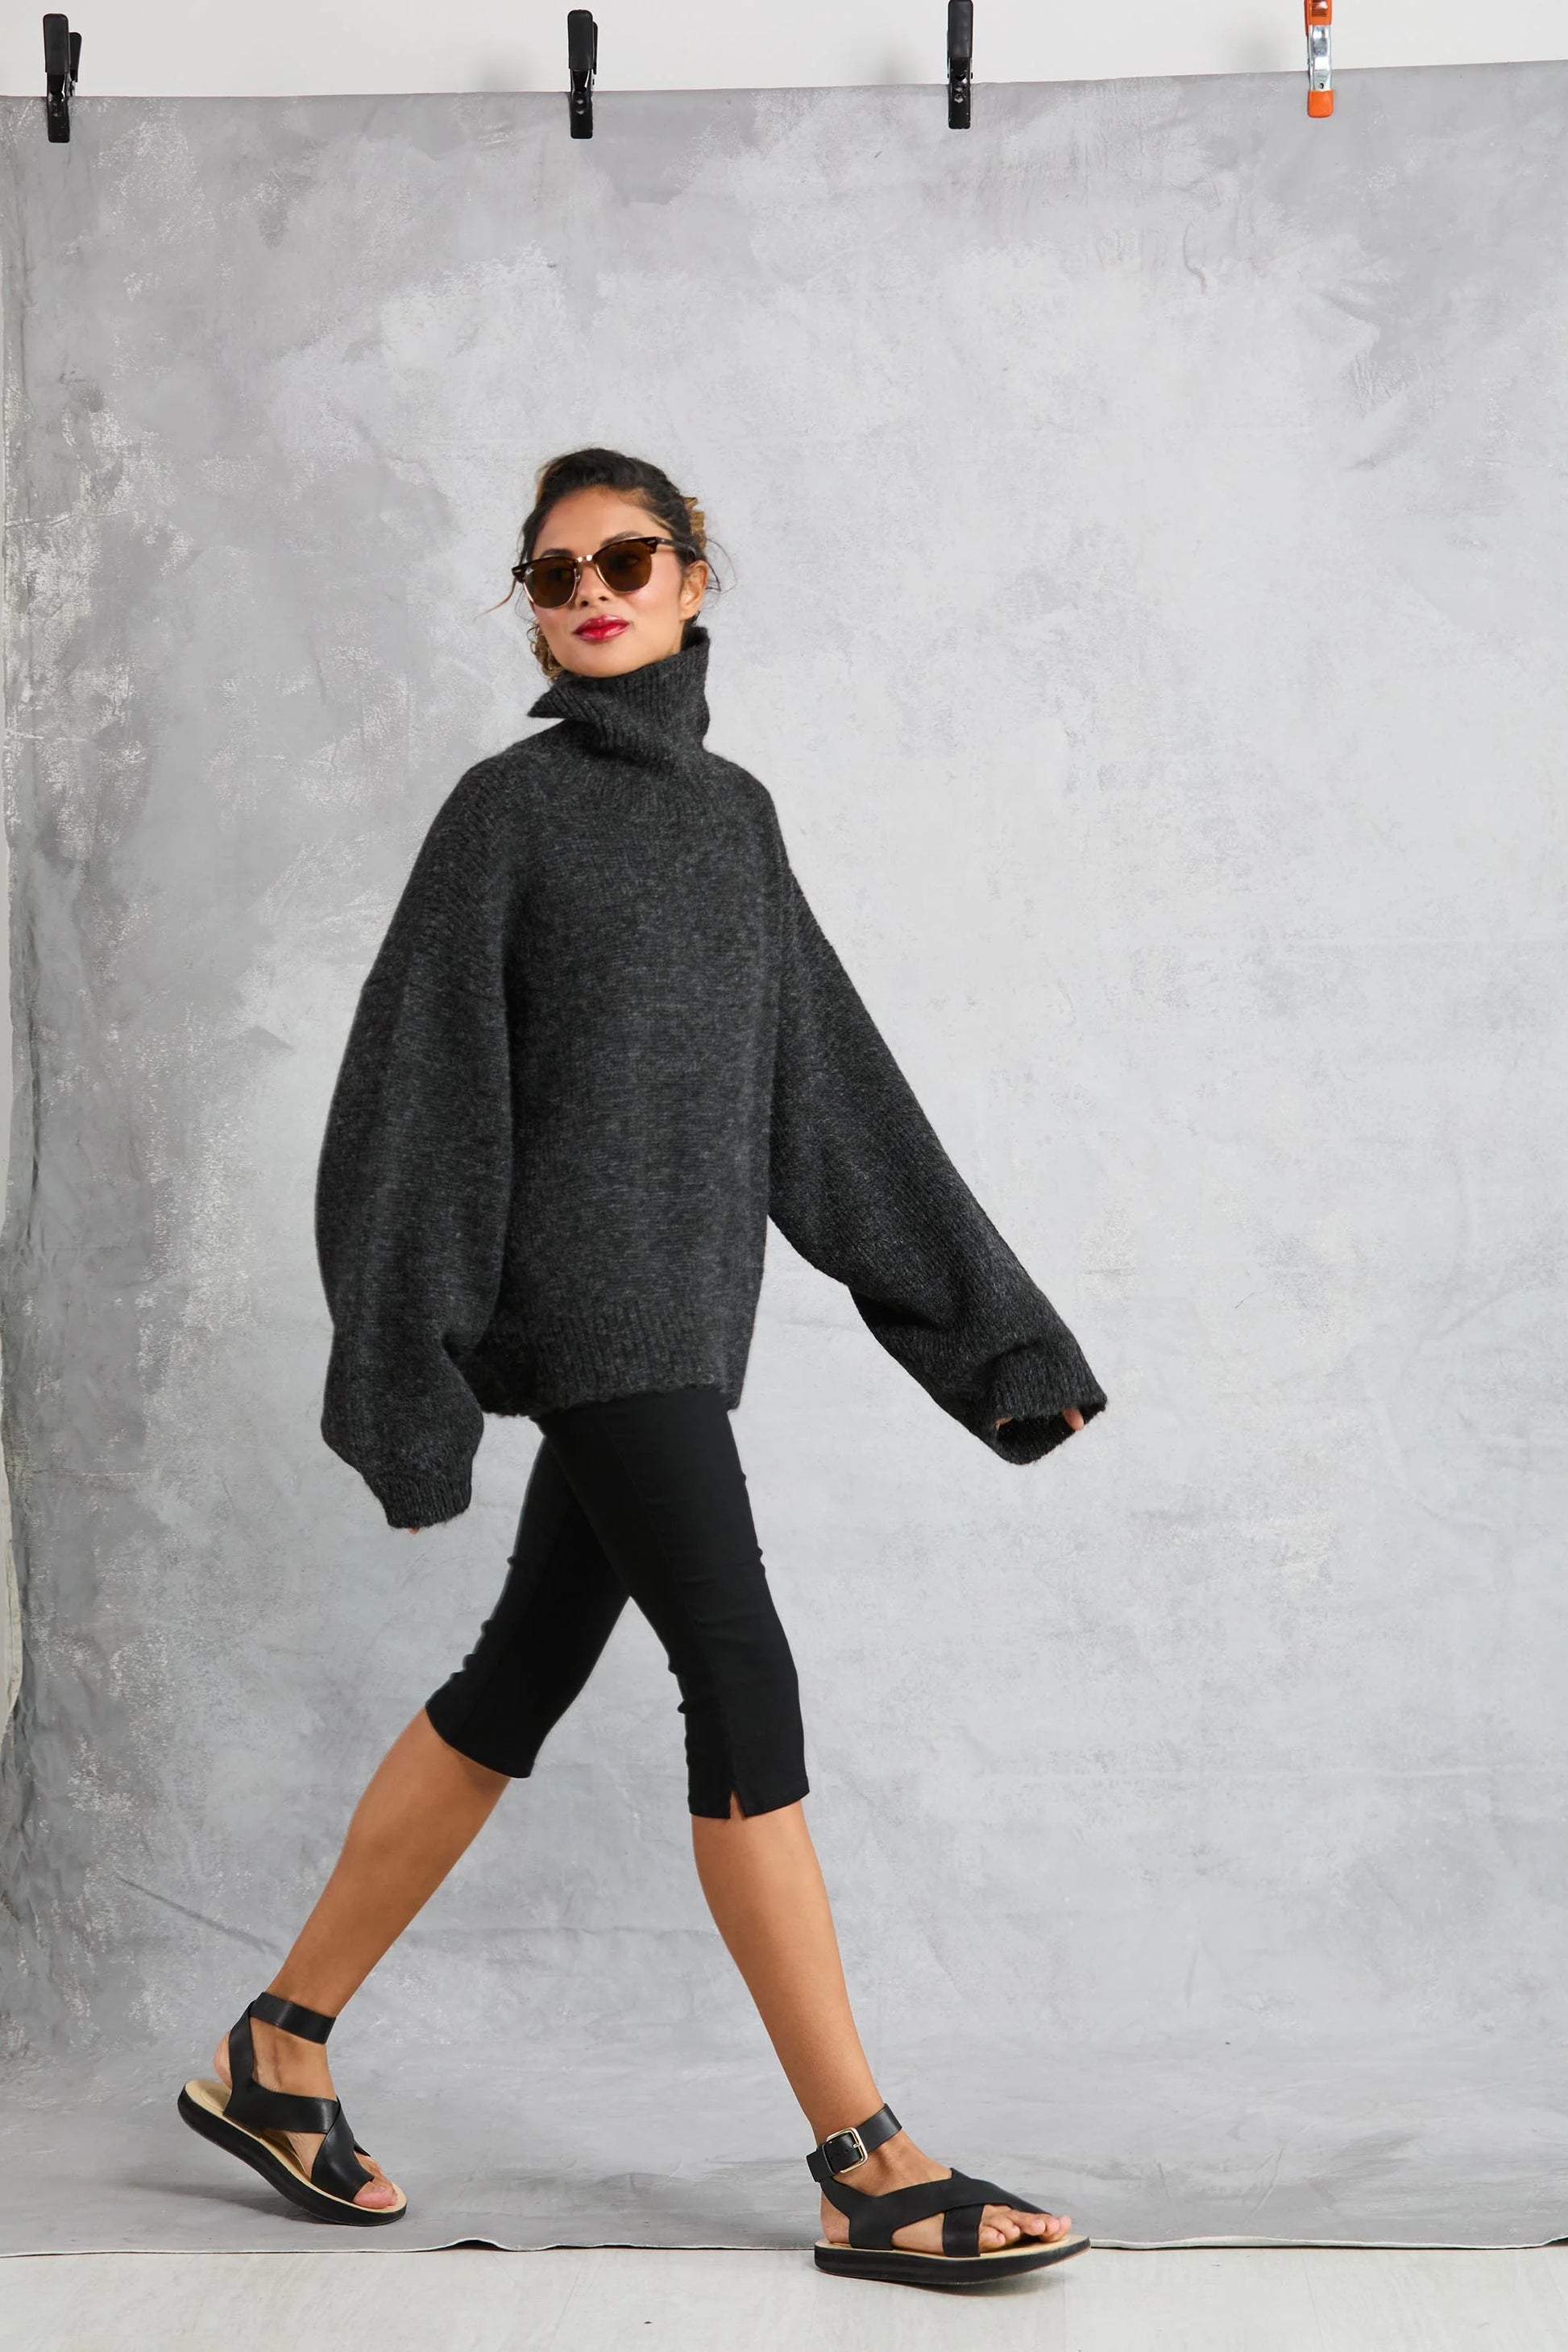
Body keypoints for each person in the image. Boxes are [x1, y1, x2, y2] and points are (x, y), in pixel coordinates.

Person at [176, 446, 1107, 2289]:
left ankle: (273, 2049)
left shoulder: (734, 820)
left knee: (514, 1680)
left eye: (625, 559)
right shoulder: (504, 814)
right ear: (531, 610)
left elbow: (825, 1088)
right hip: (585, 1323)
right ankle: (863, 2157)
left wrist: (997, 1342)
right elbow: (413, 1098)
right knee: (740, 1673)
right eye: (554, 572)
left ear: (692, 579)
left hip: (686, 1323)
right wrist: (411, 1370)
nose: (590, 591)